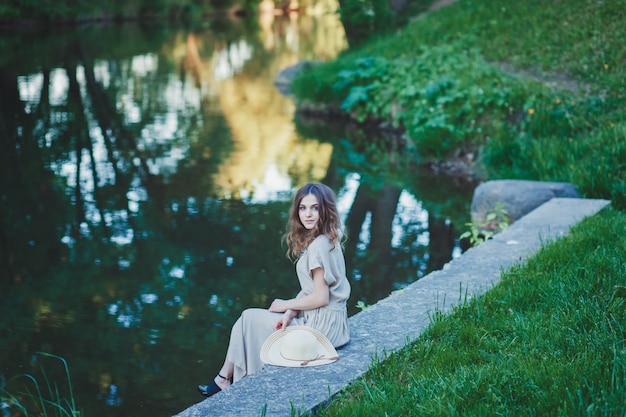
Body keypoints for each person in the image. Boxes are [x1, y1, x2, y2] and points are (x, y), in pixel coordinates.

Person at [197, 183, 351, 398]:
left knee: (248, 317)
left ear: (325, 210)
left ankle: (224, 379)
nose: (308, 214)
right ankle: (224, 378)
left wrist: (286, 304)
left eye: (315, 208)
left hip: (321, 330)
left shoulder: (317, 247)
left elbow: (321, 297)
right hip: (334, 324)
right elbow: (312, 291)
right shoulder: (329, 238)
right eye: (303, 208)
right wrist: (290, 313)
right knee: (247, 320)